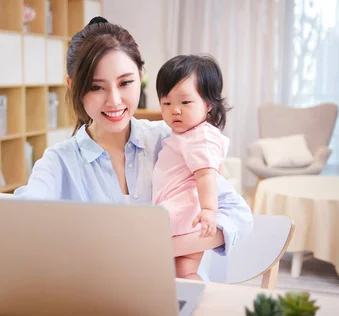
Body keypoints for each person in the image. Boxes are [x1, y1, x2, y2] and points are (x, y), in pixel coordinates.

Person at [14, 17, 253, 273]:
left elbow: (238, 215)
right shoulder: (59, 161)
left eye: (125, 83)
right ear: (73, 87)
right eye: (96, 87)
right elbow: (23, 217)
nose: (114, 101)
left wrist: (161, 247)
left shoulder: (173, 139)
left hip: (178, 297)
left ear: (141, 77)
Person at [152, 54, 231, 280]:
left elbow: (207, 175)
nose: (175, 110)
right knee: (183, 272)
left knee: (176, 271)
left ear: (208, 105)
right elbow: (218, 171)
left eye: (185, 102)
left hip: (185, 215)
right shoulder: (187, 134)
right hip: (183, 215)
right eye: (167, 103)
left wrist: (208, 210)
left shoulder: (200, 138)